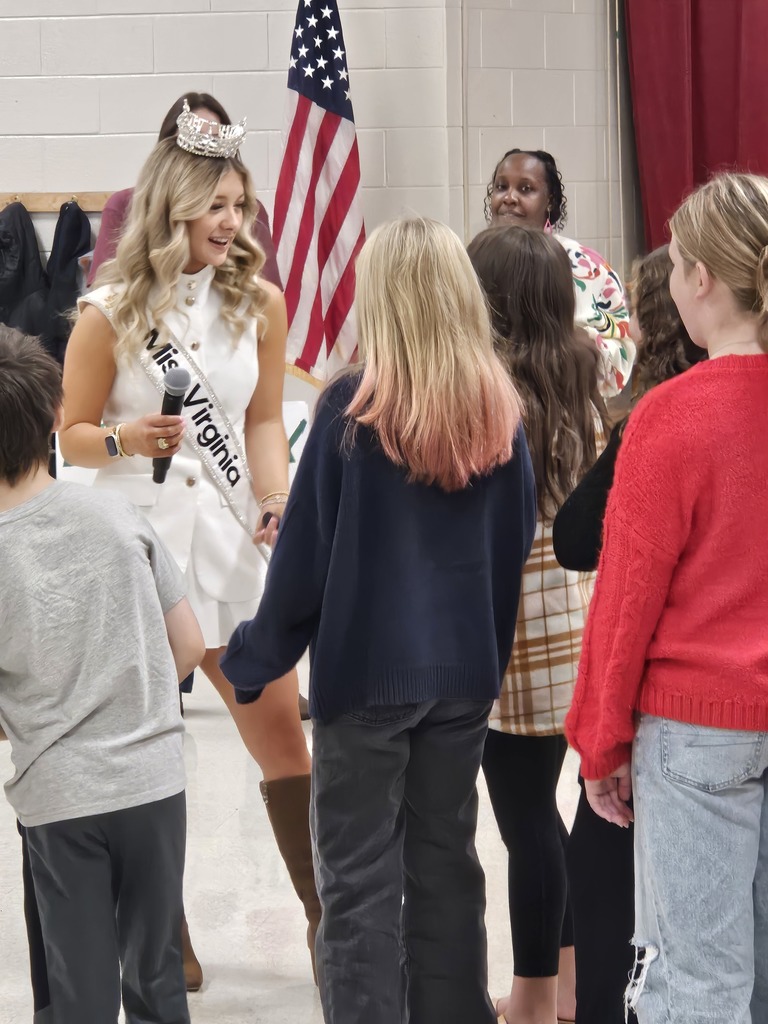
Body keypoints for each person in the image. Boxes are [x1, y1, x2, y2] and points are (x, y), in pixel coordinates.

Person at [219, 217, 537, 1024]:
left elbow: (302, 565)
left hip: (366, 685)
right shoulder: (501, 412)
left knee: (357, 888)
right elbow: (510, 556)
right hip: (463, 681)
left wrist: (253, 657)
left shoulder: (349, 411)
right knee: (447, 871)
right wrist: (484, 666)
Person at [59, 103, 320, 982]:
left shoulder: (263, 306)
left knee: (282, 734)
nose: (231, 224)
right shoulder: (108, 311)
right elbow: (71, 436)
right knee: (147, 743)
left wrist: (277, 493)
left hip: (231, 544)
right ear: (173, 206)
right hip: (138, 548)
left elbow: (262, 423)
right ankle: (161, 932)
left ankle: (332, 921)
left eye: (240, 207)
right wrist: (127, 442)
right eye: (216, 205)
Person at [566, 172, 768, 1023]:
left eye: (680, 260)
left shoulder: (670, 417)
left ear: (702, 281)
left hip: (699, 729)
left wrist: (599, 738)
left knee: (695, 979)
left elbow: (625, 602)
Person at [0, 325, 205, 1024]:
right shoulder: (119, 517)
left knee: (77, 989)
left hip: (60, 798)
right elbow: (188, 646)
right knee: (156, 976)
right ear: (55, 416)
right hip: (154, 781)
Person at [552, 245, 706, 1024]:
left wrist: (599, 743)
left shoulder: (662, 417)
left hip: (670, 698)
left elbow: (579, 541)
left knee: (609, 888)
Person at [467, 225, 608, 1024]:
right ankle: (568, 988)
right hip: (574, 615)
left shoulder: (497, 392)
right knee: (546, 809)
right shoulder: (581, 370)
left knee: (525, 820)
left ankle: (529, 1003)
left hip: (515, 625)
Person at [88, 91, 281, 290]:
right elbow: (104, 292)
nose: (232, 222)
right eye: (215, 206)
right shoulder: (124, 204)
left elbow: (266, 299)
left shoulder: (250, 210)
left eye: (213, 141)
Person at [485, 148, 635, 398]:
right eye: (501, 187)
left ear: (550, 200)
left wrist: (559, 340)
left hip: (568, 416)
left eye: (525, 189)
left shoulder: (587, 267)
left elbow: (619, 358)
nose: (509, 198)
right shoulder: (474, 261)